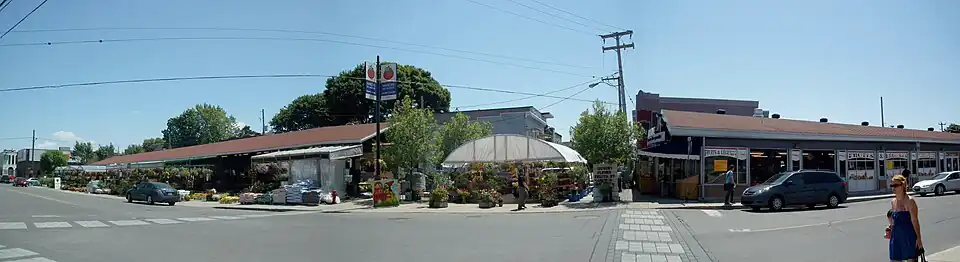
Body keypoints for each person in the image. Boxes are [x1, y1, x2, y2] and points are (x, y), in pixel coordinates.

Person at [889, 172, 924, 262]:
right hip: (896, 237)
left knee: (911, 259)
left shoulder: (910, 201)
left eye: (895, 185)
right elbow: (894, 220)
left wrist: (918, 238)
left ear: (903, 185)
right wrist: (890, 228)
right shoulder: (893, 202)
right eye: (891, 185)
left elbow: (915, 221)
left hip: (908, 237)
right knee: (894, 259)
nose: (893, 188)